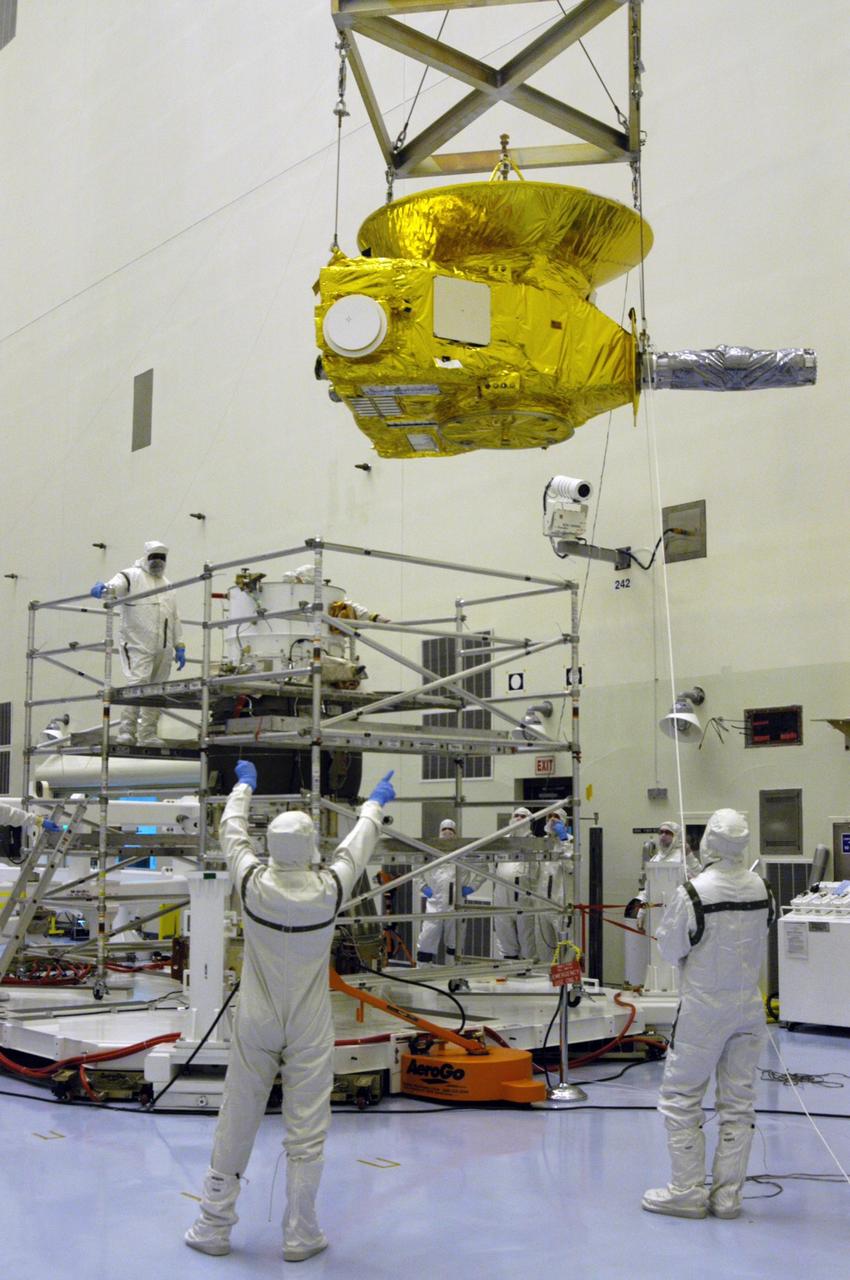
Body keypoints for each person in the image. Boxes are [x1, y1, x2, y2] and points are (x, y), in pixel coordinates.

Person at [185, 763, 396, 1262]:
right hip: (308, 1020)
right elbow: (358, 846)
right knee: (307, 1127)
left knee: (237, 1114)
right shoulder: (329, 890)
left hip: (256, 1016)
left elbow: (230, 831)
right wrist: (375, 802)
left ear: (272, 848)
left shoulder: (253, 883)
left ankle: (212, 1225)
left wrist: (243, 786)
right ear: (311, 850)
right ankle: (300, 1233)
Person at [642, 808, 775, 1220]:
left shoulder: (693, 893)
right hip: (748, 1010)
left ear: (710, 843)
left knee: (681, 1097)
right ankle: (727, 1196)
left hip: (703, 1010)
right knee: (739, 1102)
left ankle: (686, 1191)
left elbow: (669, 950)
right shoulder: (763, 888)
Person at [90, 541, 185, 747]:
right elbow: (114, 588)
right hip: (137, 643)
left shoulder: (168, 585)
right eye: (154, 557)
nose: (158, 561)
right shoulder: (131, 576)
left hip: (164, 647)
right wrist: (104, 589)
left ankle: (148, 734)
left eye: (162, 558)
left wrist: (180, 645)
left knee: (157, 690)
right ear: (146, 557)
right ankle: (127, 731)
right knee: (138, 685)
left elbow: (175, 617)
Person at [416, 818, 476, 964]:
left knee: (454, 944)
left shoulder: (464, 851)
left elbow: (484, 868)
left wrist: (472, 887)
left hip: (456, 905)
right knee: (426, 940)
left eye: (451, 830)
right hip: (434, 904)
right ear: (439, 831)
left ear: (456, 833)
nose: (447, 832)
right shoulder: (431, 851)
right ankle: (422, 974)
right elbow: (416, 868)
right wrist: (424, 887)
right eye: (444, 829)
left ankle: (453, 975)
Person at [492, 806, 537, 960]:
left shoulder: (534, 843)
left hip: (523, 896)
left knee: (526, 935)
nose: (518, 819)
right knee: (504, 932)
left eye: (523, 816)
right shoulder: (502, 841)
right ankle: (510, 967)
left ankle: (527, 968)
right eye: (516, 815)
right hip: (501, 894)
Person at [535, 808, 574, 961]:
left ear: (564, 821)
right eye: (549, 817)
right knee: (544, 946)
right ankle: (547, 980)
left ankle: (566, 981)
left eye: (556, 817)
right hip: (542, 904)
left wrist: (563, 841)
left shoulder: (570, 841)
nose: (552, 820)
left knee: (565, 947)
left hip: (561, 904)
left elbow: (571, 867)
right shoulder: (543, 843)